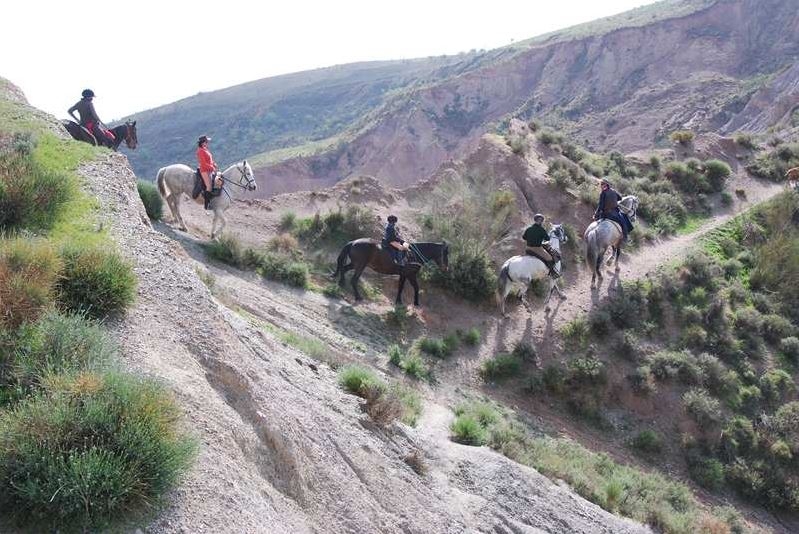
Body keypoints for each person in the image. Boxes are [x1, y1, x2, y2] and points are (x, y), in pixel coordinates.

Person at [523, 213, 560, 278]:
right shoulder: (541, 229)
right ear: (541, 221)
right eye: (541, 220)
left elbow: (524, 237)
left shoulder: (528, 229)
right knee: (550, 258)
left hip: (528, 249)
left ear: (535, 220)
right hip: (537, 249)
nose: (541, 222)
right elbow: (547, 238)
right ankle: (553, 273)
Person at [594, 178, 629, 242]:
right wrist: (614, 200)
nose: (600, 185)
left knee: (596, 220)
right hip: (615, 213)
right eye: (601, 184)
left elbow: (600, 206)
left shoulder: (603, 193)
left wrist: (596, 214)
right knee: (623, 222)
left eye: (602, 184)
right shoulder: (614, 191)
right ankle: (625, 237)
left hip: (605, 214)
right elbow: (620, 198)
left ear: (605, 185)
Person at [196, 135, 218, 209]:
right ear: (203, 143)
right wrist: (212, 167)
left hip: (209, 169)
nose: (208, 142)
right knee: (209, 186)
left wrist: (214, 164)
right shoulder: (200, 151)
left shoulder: (205, 149)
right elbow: (203, 163)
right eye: (206, 141)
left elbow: (210, 160)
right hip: (204, 170)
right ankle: (207, 204)